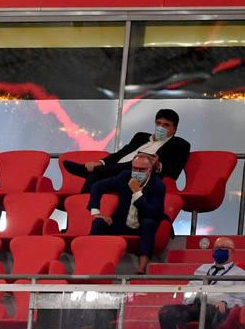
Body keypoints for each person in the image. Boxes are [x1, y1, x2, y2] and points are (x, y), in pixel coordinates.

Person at [156, 237, 245, 329]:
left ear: (231, 252)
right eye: (217, 248)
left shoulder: (240, 274)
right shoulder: (203, 269)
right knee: (166, 312)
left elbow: (242, 299)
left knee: (208, 313)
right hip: (196, 305)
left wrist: (226, 302)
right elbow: (190, 288)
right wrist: (191, 299)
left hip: (220, 309)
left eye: (224, 249)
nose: (219, 251)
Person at [63, 109, 191, 193]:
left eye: (166, 125)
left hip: (140, 176)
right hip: (115, 172)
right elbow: (120, 154)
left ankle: (89, 170)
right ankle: (78, 223)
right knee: (92, 177)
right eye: (158, 123)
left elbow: (174, 172)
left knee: (137, 163)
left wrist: (156, 165)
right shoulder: (140, 136)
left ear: (174, 129)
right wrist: (100, 162)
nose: (160, 127)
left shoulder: (180, 145)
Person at [88, 154, 165, 274]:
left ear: (150, 169)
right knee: (99, 223)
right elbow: (96, 187)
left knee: (148, 223)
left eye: (142, 170)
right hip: (122, 223)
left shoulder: (158, 185)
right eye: (135, 168)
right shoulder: (124, 176)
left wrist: (136, 192)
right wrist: (96, 213)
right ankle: (91, 262)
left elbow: (150, 212)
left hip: (143, 224)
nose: (137, 172)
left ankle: (141, 269)